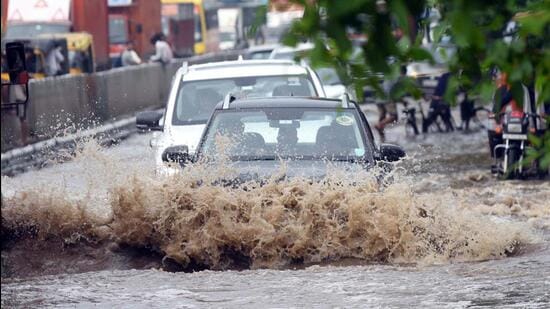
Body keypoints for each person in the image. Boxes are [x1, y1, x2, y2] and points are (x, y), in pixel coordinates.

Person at [375, 66, 407, 141]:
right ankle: (378, 126)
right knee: (394, 117)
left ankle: (382, 140)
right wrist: (403, 102)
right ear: (403, 72)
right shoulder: (398, 78)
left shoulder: (390, 76)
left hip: (378, 99)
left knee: (382, 119)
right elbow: (397, 93)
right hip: (388, 99)